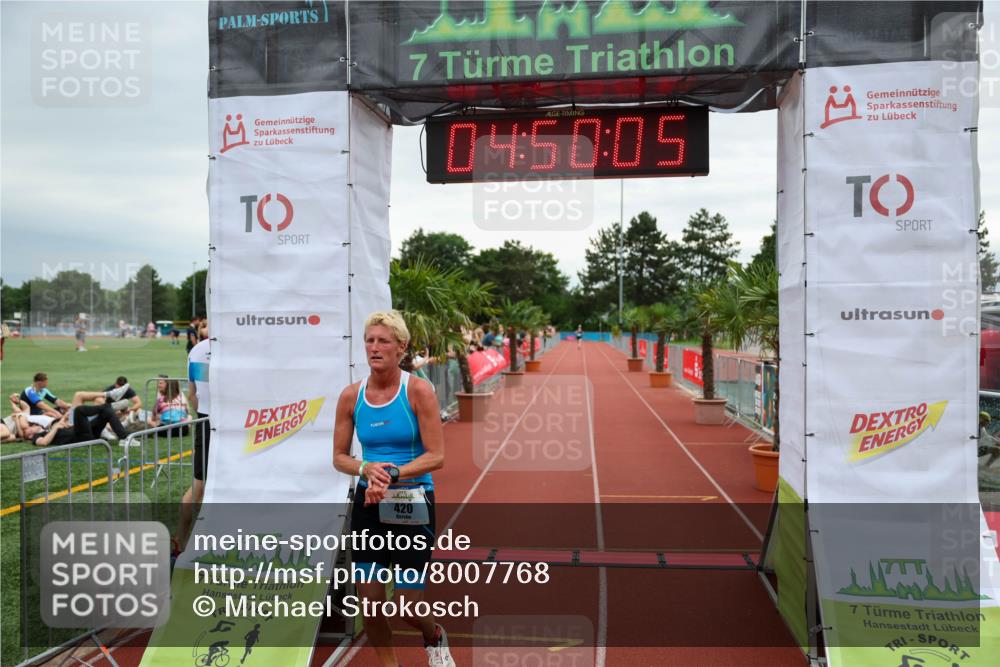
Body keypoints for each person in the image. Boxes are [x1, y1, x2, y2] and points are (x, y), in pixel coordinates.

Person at [332, 310, 455, 667]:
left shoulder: (417, 391)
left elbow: (437, 456)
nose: (374, 347)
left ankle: (433, 634)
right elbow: (339, 458)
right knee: (369, 604)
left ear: (401, 347)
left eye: (383, 341)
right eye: (369, 340)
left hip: (412, 499)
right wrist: (366, 468)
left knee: (406, 605)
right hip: (369, 502)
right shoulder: (351, 396)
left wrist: (392, 474)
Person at [177, 319, 211, 549]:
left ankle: (181, 542)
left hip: (205, 420)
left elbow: (192, 394)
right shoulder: (238, 349)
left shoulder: (197, 350)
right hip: (231, 423)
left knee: (199, 485)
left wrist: (201, 414)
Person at [30, 402, 128, 447]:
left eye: (33, 424)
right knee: (79, 410)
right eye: (31, 427)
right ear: (28, 435)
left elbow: (64, 424)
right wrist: (55, 428)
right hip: (79, 438)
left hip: (86, 433)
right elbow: (43, 443)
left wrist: (64, 420)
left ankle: (124, 438)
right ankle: (108, 405)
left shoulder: (49, 428)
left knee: (106, 412)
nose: (33, 425)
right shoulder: (37, 436)